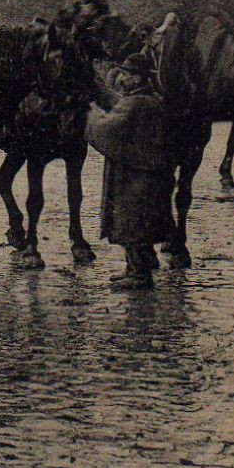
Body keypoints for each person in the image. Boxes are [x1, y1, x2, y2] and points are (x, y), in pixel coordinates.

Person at [86, 52, 177, 290]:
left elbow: (107, 128)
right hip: (148, 174)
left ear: (137, 79)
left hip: (136, 177)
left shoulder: (136, 104)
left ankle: (139, 274)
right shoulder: (150, 99)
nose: (122, 78)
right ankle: (134, 267)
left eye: (126, 75)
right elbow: (118, 104)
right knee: (141, 222)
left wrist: (89, 113)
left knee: (132, 222)